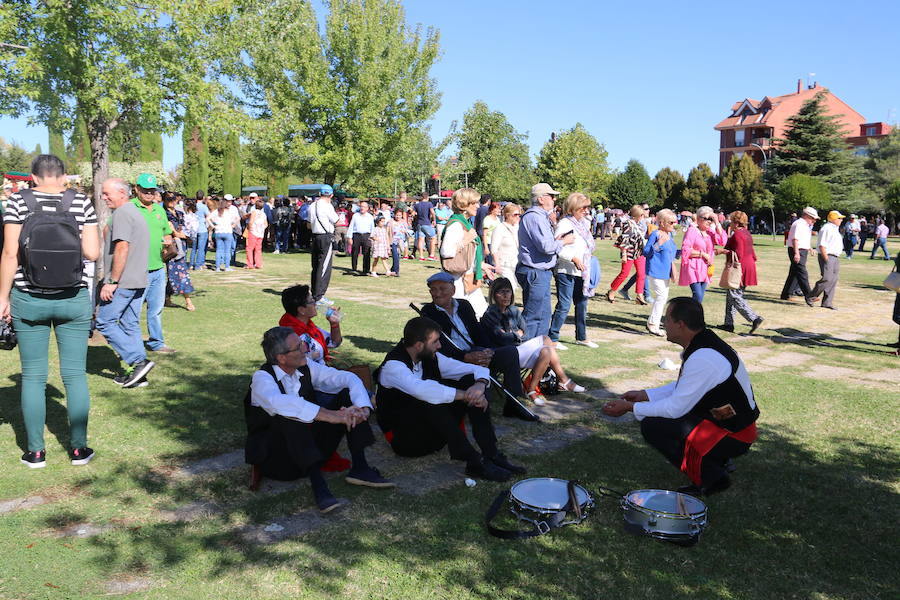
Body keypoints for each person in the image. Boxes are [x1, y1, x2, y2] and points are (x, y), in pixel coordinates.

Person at [0, 154, 101, 467]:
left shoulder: (17, 201)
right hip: (72, 297)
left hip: (29, 298)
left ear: (32, 177)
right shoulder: (81, 202)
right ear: (64, 176)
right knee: (74, 376)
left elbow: (9, 253)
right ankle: (78, 449)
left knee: (31, 377)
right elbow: (93, 252)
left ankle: (35, 452)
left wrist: (2, 297)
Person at [602, 298, 759, 497]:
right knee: (664, 420)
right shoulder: (703, 343)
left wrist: (629, 408)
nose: (664, 324)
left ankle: (712, 477)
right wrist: (644, 395)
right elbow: (685, 387)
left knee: (654, 426)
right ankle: (716, 462)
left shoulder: (703, 356)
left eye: (667, 319)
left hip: (735, 433)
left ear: (680, 324)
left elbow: (675, 407)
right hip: (730, 424)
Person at [246, 327, 393, 513]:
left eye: (302, 344)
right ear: (281, 358)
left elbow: (346, 378)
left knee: (348, 396)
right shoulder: (262, 378)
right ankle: (319, 488)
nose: (305, 349)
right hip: (279, 460)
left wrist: (361, 408)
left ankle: (361, 468)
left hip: (313, 450)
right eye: (298, 347)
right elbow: (279, 403)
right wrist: (330, 416)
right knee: (290, 413)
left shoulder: (306, 365)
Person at [375, 316, 526, 481]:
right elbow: (422, 390)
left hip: (434, 434)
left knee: (469, 380)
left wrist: (479, 386)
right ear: (419, 345)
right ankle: (474, 461)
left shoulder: (431, 357)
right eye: (435, 342)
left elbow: (473, 369)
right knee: (430, 397)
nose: (439, 346)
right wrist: (464, 395)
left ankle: (491, 453)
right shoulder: (393, 367)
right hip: (405, 440)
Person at [421, 272, 537, 422]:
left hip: (477, 351)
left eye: (442, 289)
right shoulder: (428, 312)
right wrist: (465, 357)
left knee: (510, 352)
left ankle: (513, 403)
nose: (437, 293)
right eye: (433, 290)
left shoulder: (464, 305)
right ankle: (481, 402)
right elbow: (439, 346)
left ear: (453, 290)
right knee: (482, 391)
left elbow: (478, 331)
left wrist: (487, 350)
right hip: (456, 359)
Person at [481, 278, 585, 405]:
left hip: (519, 349)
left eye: (508, 291)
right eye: (501, 292)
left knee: (546, 348)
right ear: (494, 294)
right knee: (546, 342)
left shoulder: (514, 310)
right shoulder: (490, 314)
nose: (506, 295)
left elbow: (526, 333)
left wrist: (512, 335)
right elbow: (501, 339)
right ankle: (559, 381)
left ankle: (532, 389)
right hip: (504, 354)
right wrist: (517, 334)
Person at [95, 178, 156, 389]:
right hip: (138, 278)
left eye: (106, 193)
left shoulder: (122, 213)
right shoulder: (135, 212)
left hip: (124, 281)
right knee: (130, 325)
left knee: (104, 322)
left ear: (122, 193)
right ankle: (139, 373)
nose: (103, 197)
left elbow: (122, 247)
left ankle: (137, 361)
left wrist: (112, 281)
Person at [517, 183, 573, 339]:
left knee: (543, 316)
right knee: (533, 317)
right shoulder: (535, 217)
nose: (555, 199)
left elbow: (545, 244)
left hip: (540, 271)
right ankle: (522, 353)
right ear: (541, 199)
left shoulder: (539, 217)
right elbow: (546, 247)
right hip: (535, 271)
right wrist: (564, 242)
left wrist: (557, 240)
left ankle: (539, 354)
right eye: (552, 196)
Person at [132, 173, 176, 354]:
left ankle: (157, 342)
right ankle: (132, 345)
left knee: (156, 309)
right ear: (137, 189)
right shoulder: (129, 209)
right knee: (132, 312)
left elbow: (166, 232)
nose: (150, 194)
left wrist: (167, 242)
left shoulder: (159, 210)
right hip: (137, 270)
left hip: (158, 268)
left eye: (152, 191)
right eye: (146, 190)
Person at [549, 193, 597, 349]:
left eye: (587, 207)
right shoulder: (564, 224)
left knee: (582, 304)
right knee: (564, 304)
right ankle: (553, 338)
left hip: (581, 271)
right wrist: (574, 259)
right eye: (583, 207)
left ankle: (581, 337)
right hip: (566, 269)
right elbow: (558, 247)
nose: (586, 210)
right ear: (573, 207)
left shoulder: (582, 224)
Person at [439, 188, 493, 317]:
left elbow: (469, 254)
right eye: (474, 203)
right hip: (458, 282)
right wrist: (466, 240)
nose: (478, 206)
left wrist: (481, 265)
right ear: (464, 204)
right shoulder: (456, 225)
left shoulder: (466, 224)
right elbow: (446, 252)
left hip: (468, 279)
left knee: (482, 314)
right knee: (465, 316)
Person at [720, 211, 763, 331]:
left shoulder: (738, 234)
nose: (730, 223)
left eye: (731, 220)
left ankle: (754, 318)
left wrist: (723, 251)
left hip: (741, 267)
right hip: (749, 265)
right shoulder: (746, 233)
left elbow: (738, 253)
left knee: (735, 296)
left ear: (736, 222)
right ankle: (728, 324)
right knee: (731, 296)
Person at [678, 205, 727, 304]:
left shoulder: (710, 233)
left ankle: (691, 317)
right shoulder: (692, 231)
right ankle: (693, 318)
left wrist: (717, 222)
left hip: (705, 268)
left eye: (711, 219)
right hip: (693, 267)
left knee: (699, 297)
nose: (709, 221)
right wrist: (703, 254)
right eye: (706, 219)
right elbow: (685, 250)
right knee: (698, 295)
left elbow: (722, 241)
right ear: (699, 219)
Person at [643, 209, 679, 336]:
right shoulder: (656, 234)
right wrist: (658, 244)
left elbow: (673, 253)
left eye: (675, 222)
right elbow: (646, 252)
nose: (674, 224)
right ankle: (653, 324)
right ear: (662, 222)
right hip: (655, 271)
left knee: (662, 298)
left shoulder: (670, 236)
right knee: (661, 297)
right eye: (671, 222)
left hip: (665, 272)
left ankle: (653, 323)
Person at [606, 205, 649, 305]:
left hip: (639, 251)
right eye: (641, 214)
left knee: (642, 274)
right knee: (624, 274)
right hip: (629, 251)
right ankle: (612, 291)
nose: (643, 216)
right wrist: (624, 254)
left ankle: (639, 295)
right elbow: (625, 238)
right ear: (637, 215)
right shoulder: (628, 223)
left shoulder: (641, 224)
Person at [162, 193, 195, 311]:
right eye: (168, 199)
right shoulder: (163, 214)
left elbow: (184, 230)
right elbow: (172, 232)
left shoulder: (180, 213)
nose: (172, 201)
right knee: (181, 274)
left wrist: (183, 235)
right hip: (172, 248)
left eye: (173, 199)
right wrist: (180, 234)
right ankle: (188, 301)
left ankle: (166, 298)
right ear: (164, 200)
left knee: (173, 275)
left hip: (182, 246)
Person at [780, 206, 819, 305]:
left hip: (801, 250)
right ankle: (809, 296)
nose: (814, 221)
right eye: (813, 218)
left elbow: (803, 239)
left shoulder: (804, 225)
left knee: (794, 273)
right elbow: (795, 239)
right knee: (802, 273)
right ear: (806, 216)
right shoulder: (799, 224)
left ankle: (786, 294)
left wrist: (809, 248)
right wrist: (797, 253)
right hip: (797, 250)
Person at [808, 210, 845, 310]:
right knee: (827, 278)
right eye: (839, 218)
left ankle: (827, 302)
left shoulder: (835, 228)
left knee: (833, 279)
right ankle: (811, 296)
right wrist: (826, 259)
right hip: (827, 255)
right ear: (833, 219)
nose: (841, 220)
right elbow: (822, 245)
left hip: (835, 256)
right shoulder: (827, 228)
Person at [309, 186, 338, 300]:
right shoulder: (328, 206)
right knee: (324, 266)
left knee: (315, 266)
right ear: (331, 195)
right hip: (325, 236)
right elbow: (336, 220)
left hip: (315, 235)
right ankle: (319, 295)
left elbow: (309, 222)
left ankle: (314, 292)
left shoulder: (312, 205)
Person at [490, 203, 522, 290]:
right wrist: (497, 265)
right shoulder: (500, 228)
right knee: (510, 287)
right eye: (515, 215)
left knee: (515, 287)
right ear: (507, 215)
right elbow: (494, 249)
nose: (518, 217)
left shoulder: (517, 228)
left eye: (519, 214)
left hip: (516, 262)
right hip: (504, 264)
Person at [208, 197, 238, 272]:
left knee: (219, 250)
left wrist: (213, 226)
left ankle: (217, 267)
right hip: (228, 232)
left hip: (218, 232)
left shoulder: (216, 211)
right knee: (227, 251)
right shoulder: (229, 212)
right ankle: (227, 267)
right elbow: (237, 218)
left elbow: (208, 218)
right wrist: (233, 225)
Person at [348, 201, 374, 275]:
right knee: (354, 253)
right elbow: (351, 226)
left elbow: (372, 228)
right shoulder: (355, 215)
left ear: (367, 208)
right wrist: (349, 237)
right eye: (361, 206)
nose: (362, 208)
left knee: (366, 253)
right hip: (356, 235)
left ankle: (366, 270)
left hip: (367, 236)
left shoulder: (370, 217)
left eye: (364, 207)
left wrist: (372, 237)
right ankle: (354, 268)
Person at [245, 198, 268, 269]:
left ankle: (250, 264)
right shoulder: (263, 214)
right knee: (258, 249)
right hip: (260, 233)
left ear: (255, 206)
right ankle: (258, 264)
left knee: (249, 248)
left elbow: (251, 221)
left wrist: (249, 228)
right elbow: (266, 224)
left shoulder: (254, 212)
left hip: (253, 232)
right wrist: (261, 229)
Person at [412, 194, 437, 260]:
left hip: (419, 224)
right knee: (433, 237)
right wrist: (434, 220)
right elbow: (432, 212)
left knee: (421, 239)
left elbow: (413, 214)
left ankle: (421, 256)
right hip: (427, 223)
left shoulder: (417, 205)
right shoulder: (429, 204)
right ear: (427, 197)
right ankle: (431, 255)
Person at [190, 191, 210, 270]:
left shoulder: (193, 206)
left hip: (194, 229)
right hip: (202, 229)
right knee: (201, 248)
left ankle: (191, 264)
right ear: (203, 197)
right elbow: (208, 216)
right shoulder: (204, 206)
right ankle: (198, 265)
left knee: (194, 248)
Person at [388, 209, 411, 276]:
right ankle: (396, 271)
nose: (398, 216)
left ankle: (393, 269)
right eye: (397, 215)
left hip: (401, 241)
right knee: (395, 255)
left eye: (399, 215)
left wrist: (405, 231)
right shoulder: (390, 222)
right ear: (394, 215)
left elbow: (407, 230)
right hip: (393, 241)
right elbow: (387, 231)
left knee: (397, 256)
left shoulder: (403, 222)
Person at [481, 200, 502, 265]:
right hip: (489, 243)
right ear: (492, 210)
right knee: (490, 264)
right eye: (498, 209)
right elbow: (484, 234)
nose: (499, 210)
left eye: (500, 209)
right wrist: (486, 248)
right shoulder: (487, 219)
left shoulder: (497, 219)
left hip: (496, 243)